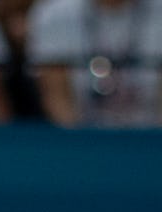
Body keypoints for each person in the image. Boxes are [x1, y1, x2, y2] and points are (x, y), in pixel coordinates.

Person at [27, 0, 162, 127]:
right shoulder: (53, 14)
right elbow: (56, 98)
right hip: (81, 141)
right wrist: (81, 146)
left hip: (151, 141)